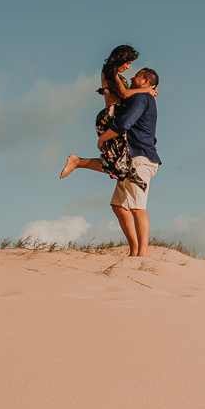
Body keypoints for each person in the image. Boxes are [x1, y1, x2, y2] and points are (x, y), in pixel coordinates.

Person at [59, 45, 155, 185]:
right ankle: (77, 161)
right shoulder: (109, 71)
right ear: (121, 58)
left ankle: (79, 162)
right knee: (118, 162)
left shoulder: (115, 74)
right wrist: (146, 90)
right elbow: (123, 93)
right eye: (128, 63)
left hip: (115, 116)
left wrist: (148, 95)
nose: (128, 67)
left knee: (119, 160)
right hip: (109, 118)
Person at [97, 67, 161, 258]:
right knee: (118, 205)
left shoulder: (142, 98)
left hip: (140, 159)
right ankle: (134, 251)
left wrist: (103, 139)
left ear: (146, 81)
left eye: (138, 75)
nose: (133, 77)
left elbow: (124, 123)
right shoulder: (141, 96)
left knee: (137, 207)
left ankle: (142, 255)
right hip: (130, 160)